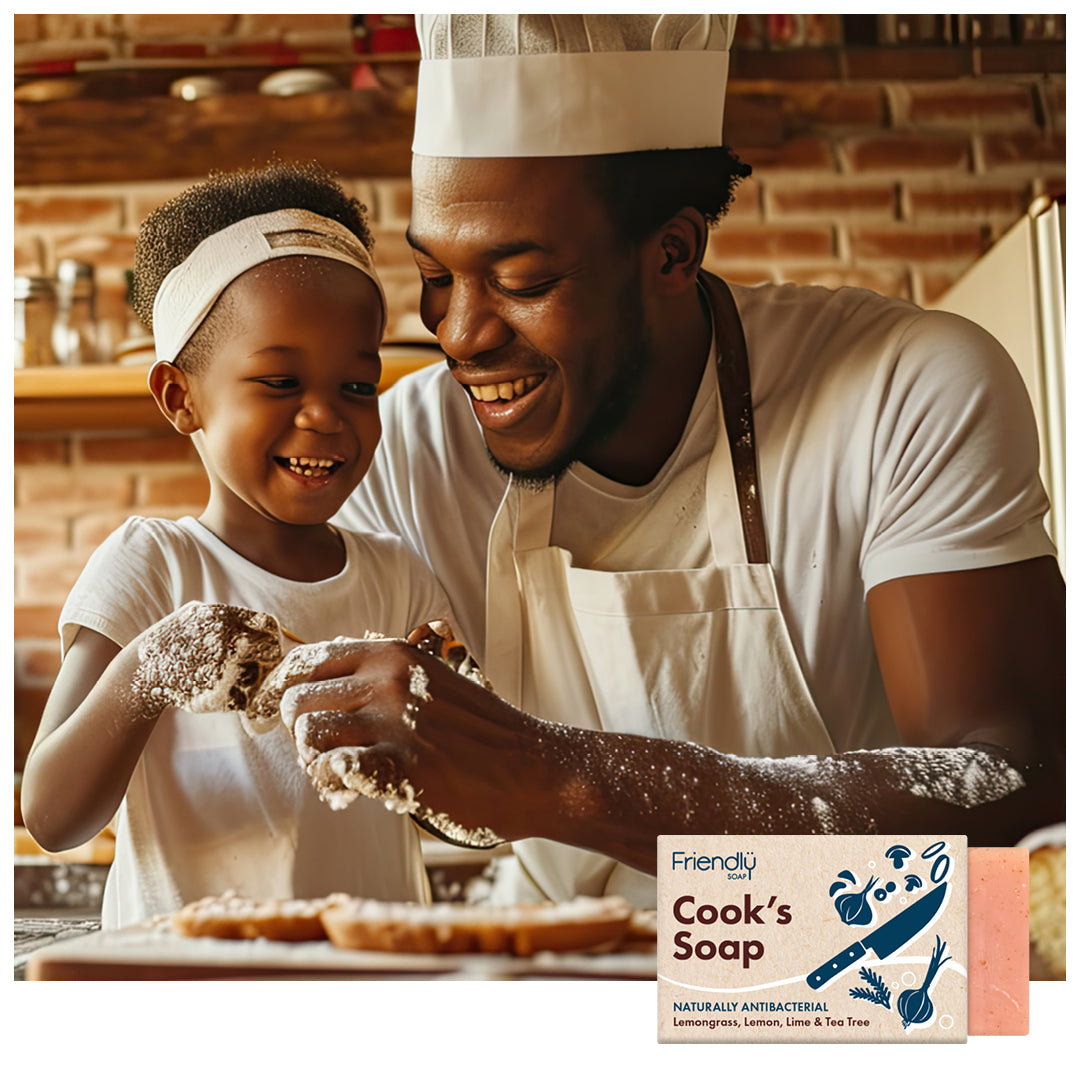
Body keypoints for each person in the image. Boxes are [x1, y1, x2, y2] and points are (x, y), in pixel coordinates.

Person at [291, 15, 1064, 908]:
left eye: (524, 281)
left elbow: (1013, 783)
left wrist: (560, 776)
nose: (460, 335)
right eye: (435, 277)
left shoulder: (902, 386)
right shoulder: (408, 448)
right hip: (562, 974)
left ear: (671, 252)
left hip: (856, 978)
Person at [19, 161, 456, 928]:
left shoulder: (399, 576)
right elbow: (53, 816)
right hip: (192, 997)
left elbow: (455, 819)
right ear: (180, 398)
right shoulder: (153, 567)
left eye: (358, 385)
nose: (326, 416)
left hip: (368, 991)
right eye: (281, 383)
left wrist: (438, 725)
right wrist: (151, 666)